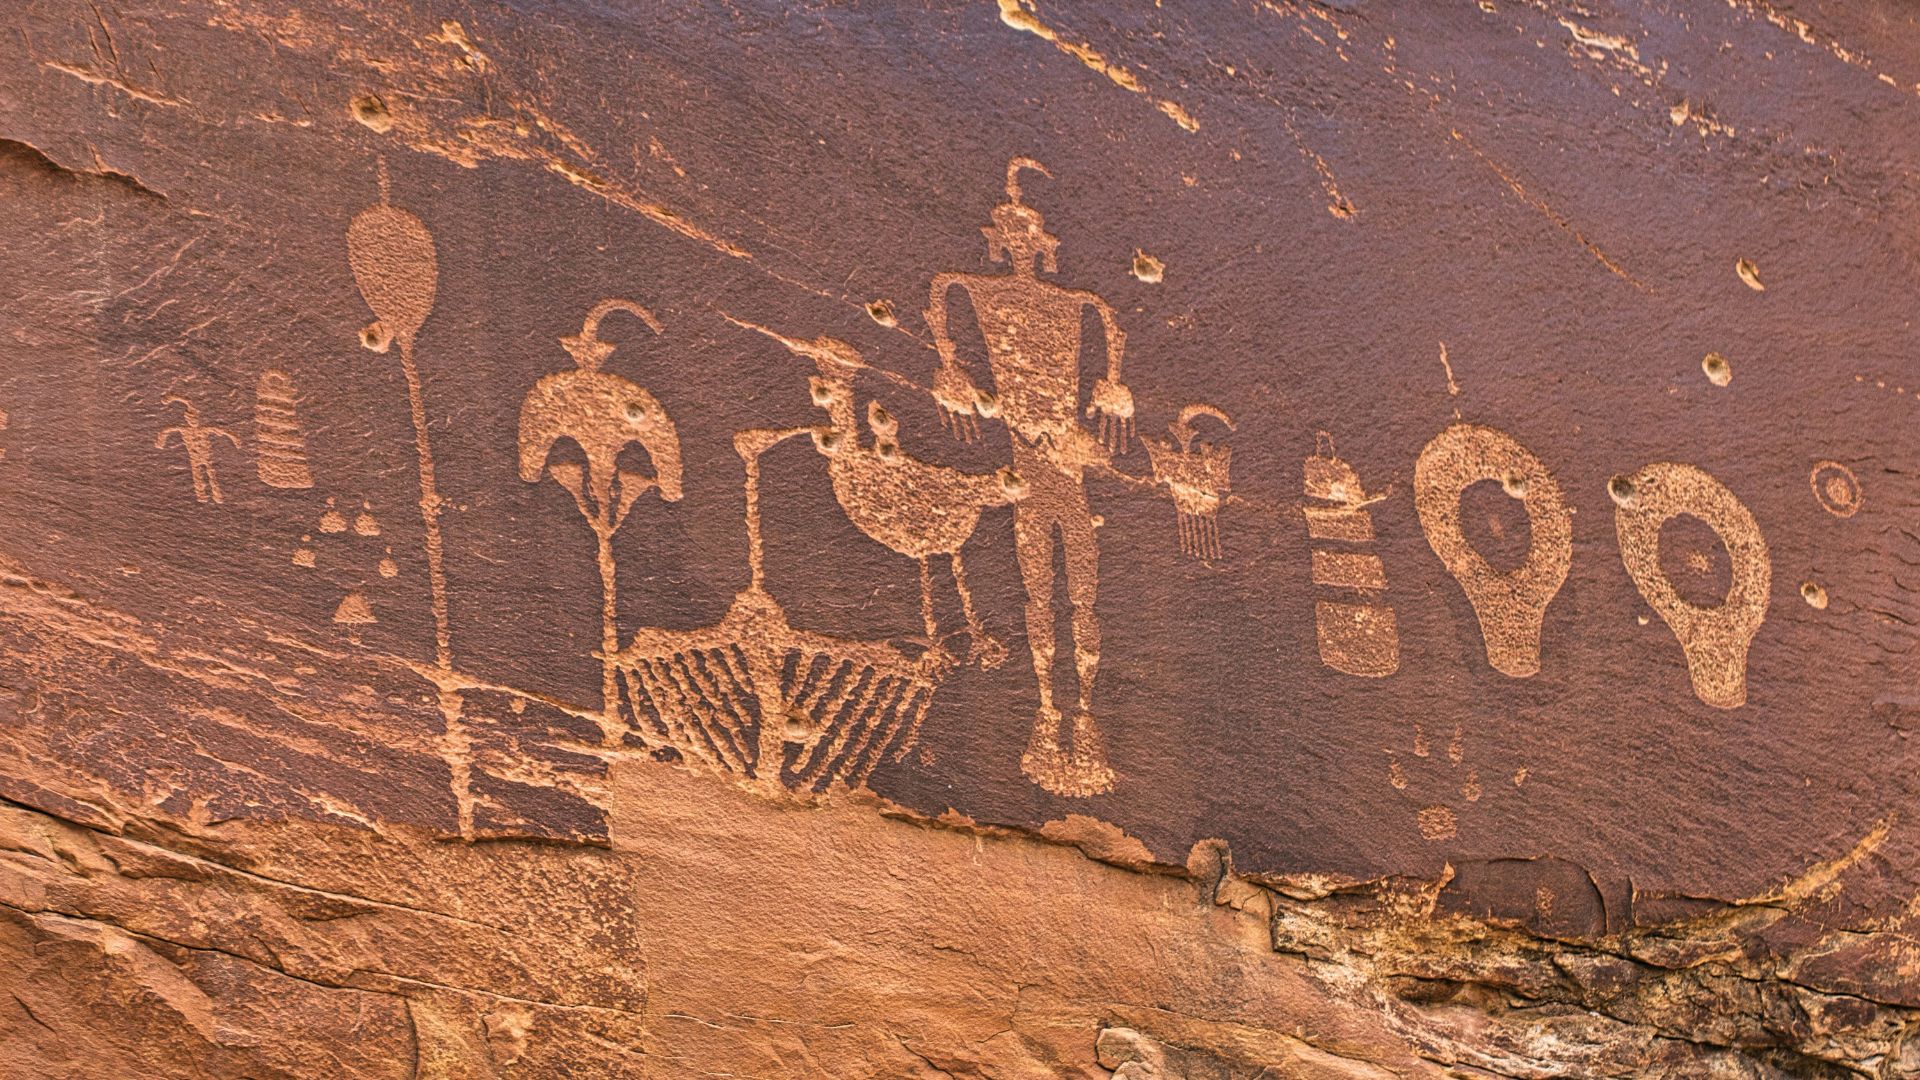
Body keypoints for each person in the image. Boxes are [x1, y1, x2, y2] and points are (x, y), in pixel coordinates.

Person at [924, 158, 1134, 797]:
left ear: (1040, 247)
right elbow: (942, 296)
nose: (1019, 250)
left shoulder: (1073, 304)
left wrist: (1111, 387)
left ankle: (1081, 714)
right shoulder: (985, 293)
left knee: (1077, 596)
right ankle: (1049, 711)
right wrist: (950, 368)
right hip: (1035, 470)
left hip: (1058, 470)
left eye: (1027, 240)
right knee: (1042, 594)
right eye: (1012, 239)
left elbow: (1109, 325)